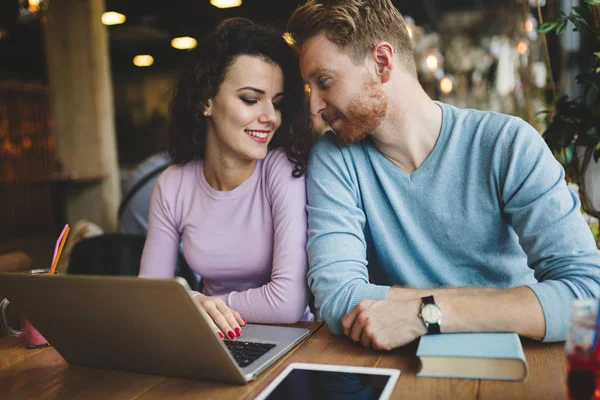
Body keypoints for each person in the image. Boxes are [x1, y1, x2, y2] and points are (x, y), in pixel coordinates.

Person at [287, 0, 600, 350]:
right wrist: (505, 304)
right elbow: (337, 297)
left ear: (381, 63)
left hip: (520, 360)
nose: (314, 105)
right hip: (399, 364)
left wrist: (428, 313)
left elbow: (588, 297)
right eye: (309, 87)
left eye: (324, 82)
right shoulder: (335, 157)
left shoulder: (507, 144)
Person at [139, 17, 313, 340]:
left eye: (276, 103)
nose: (271, 117)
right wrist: (191, 303)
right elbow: (150, 297)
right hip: (210, 339)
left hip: (288, 338)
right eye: (250, 99)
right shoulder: (173, 184)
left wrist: (200, 305)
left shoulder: (282, 170)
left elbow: (287, 303)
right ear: (206, 101)